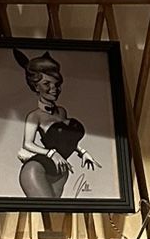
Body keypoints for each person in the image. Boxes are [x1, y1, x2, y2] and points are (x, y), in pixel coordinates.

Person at [12, 48, 100, 203]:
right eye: (46, 83)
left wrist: (82, 152)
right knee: (48, 208)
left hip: (61, 171)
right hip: (37, 169)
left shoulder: (61, 111)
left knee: (55, 212)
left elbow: (65, 138)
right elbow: (27, 144)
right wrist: (52, 154)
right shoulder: (34, 116)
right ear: (36, 87)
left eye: (56, 84)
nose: (54, 89)